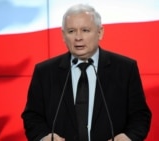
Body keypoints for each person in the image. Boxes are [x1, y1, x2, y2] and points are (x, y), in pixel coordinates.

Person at [21, 3, 151, 141]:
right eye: (71, 31)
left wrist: (128, 137)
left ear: (100, 33)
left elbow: (140, 115)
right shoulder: (45, 72)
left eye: (85, 30)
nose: (78, 37)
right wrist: (44, 137)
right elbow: (32, 116)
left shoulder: (125, 69)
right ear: (63, 35)